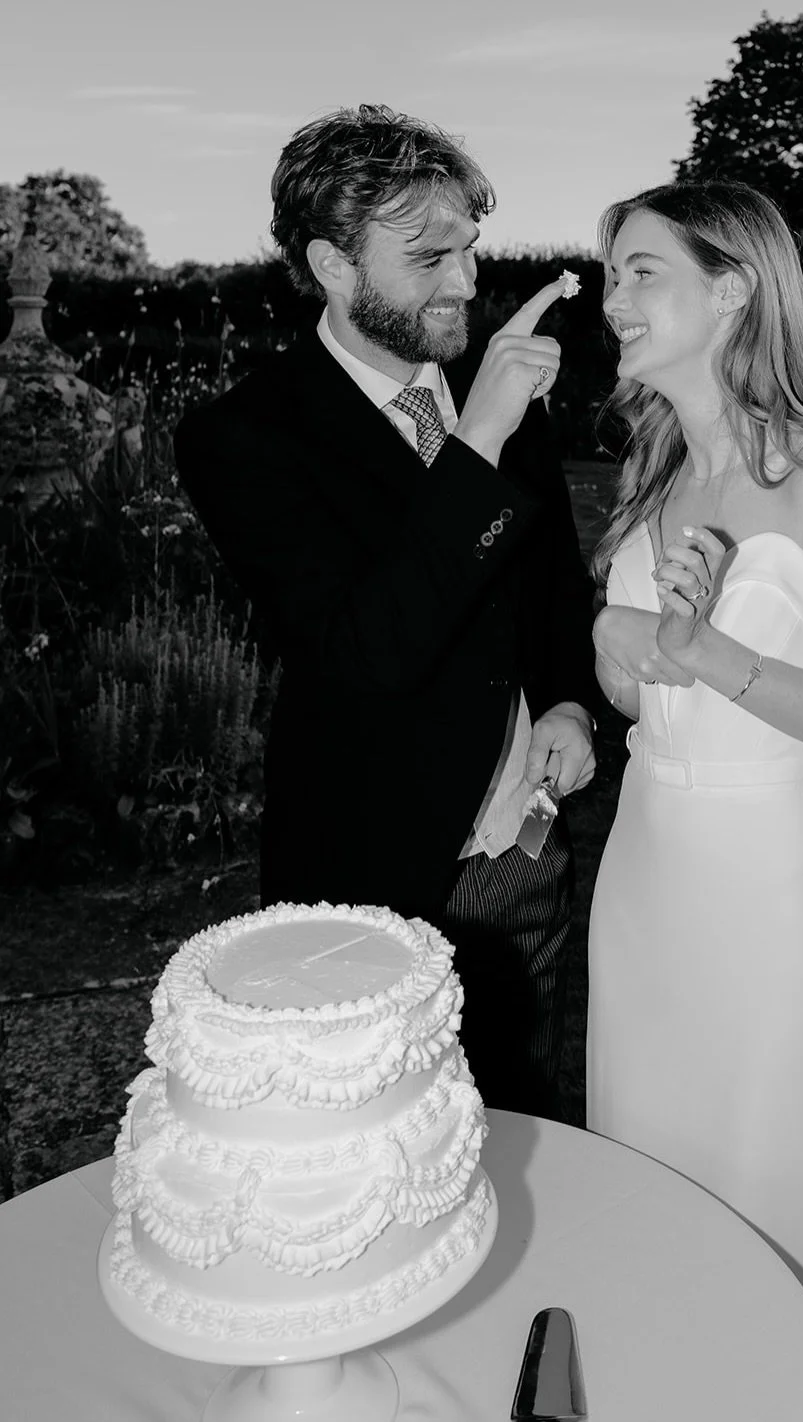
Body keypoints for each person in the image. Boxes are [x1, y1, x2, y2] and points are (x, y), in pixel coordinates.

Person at [174, 106, 597, 1121]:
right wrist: (478, 442)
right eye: (428, 257)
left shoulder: (494, 386)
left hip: (520, 856)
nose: (464, 283)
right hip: (372, 875)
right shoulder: (245, 437)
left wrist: (573, 703)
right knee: (378, 1148)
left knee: (518, 1123)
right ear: (332, 263)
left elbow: (549, 591)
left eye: (469, 249)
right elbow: (368, 650)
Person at [585, 180, 803, 1422]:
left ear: (730, 288)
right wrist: (621, 648)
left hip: (770, 888)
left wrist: (703, 652)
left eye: (640, 272)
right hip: (648, 874)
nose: (612, 299)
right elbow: (639, 698)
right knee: (656, 1173)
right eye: (611, 273)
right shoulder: (651, 470)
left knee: (776, 1182)